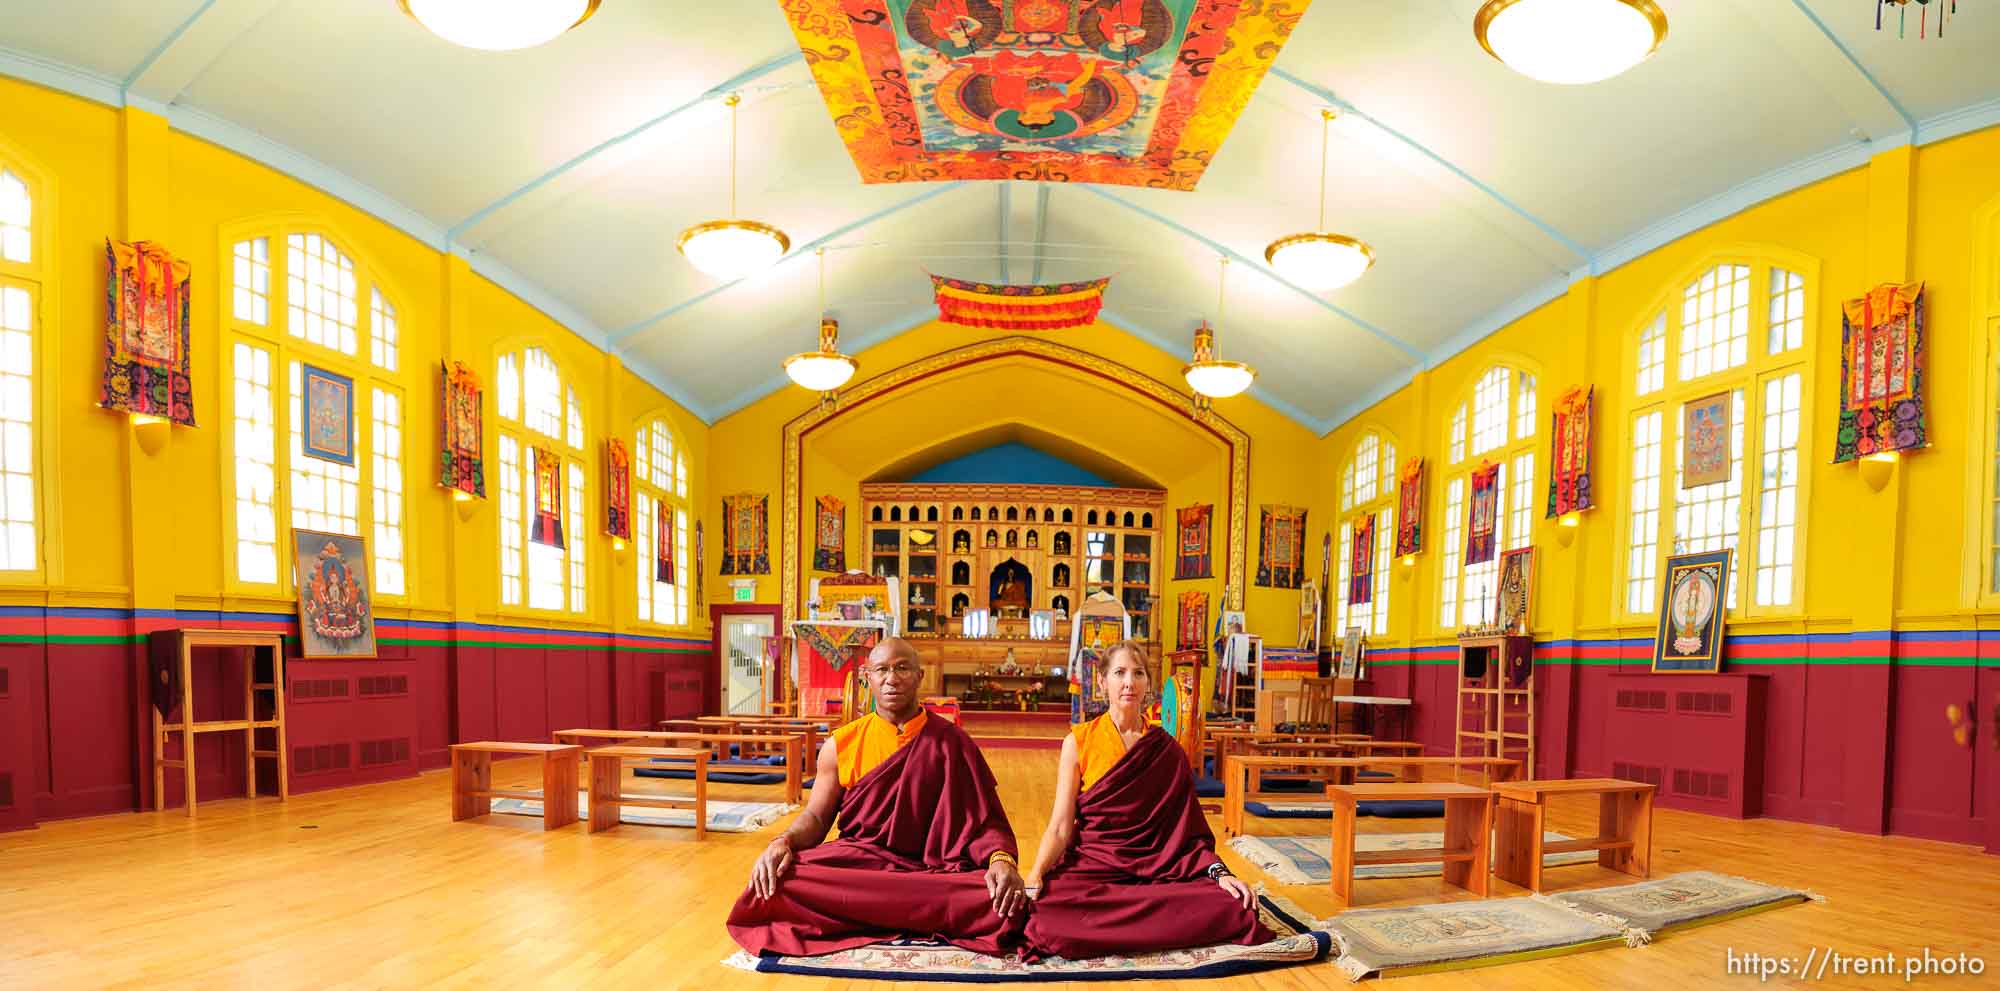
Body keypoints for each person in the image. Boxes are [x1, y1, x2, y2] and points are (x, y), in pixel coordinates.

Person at [727, 638, 1028, 958]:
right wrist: (782, 842)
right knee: (781, 881)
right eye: (882, 669)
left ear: (919, 676)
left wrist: (1001, 860)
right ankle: (908, 913)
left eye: (902, 668)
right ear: (867, 677)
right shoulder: (842, 743)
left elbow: (984, 820)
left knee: (997, 899)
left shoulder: (952, 742)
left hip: (931, 868)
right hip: (862, 862)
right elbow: (816, 818)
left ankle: (863, 914)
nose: (892, 678)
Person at [1022, 640, 1271, 960]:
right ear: (1102, 682)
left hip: (1159, 870)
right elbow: (1059, 827)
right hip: (1097, 866)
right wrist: (1035, 874)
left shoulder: (1166, 750)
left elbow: (1189, 833)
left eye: (1138, 673)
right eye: (1119, 673)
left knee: (1236, 907)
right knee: (1045, 915)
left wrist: (1220, 875)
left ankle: (1117, 928)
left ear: (1148, 684)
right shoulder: (1079, 741)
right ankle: (1149, 926)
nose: (1129, 682)